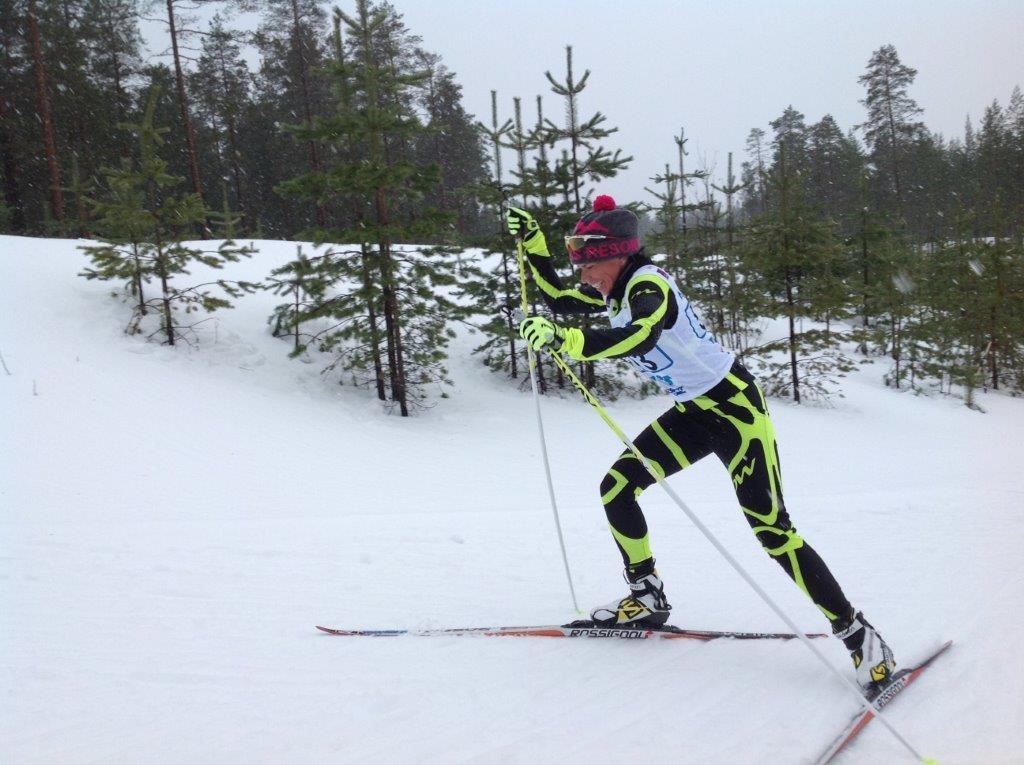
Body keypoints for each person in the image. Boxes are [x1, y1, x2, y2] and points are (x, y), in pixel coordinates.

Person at [507, 194, 896, 692]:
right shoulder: (611, 288)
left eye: (590, 265)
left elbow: (641, 336)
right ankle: (646, 598)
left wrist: (571, 341)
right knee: (618, 487)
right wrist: (535, 244)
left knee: (772, 531)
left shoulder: (649, 286)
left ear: (620, 254)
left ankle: (860, 636)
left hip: (736, 411)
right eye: (579, 266)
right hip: (694, 414)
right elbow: (558, 299)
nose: (584, 277)